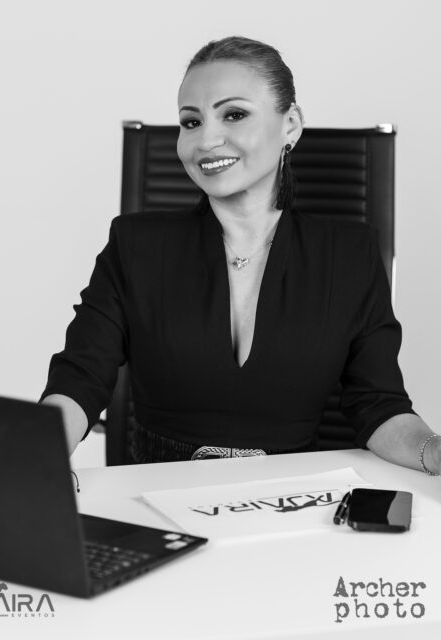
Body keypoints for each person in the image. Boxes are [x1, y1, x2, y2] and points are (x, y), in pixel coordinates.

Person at [40, 36, 441, 475]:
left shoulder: (349, 254)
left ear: (290, 125)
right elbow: (80, 379)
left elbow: (378, 405)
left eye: (234, 114)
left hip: (293, 503)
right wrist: (34, 454)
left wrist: (435, 452)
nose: (206, 140)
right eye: (191, 122)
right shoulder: (135, 244)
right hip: (156, 498)